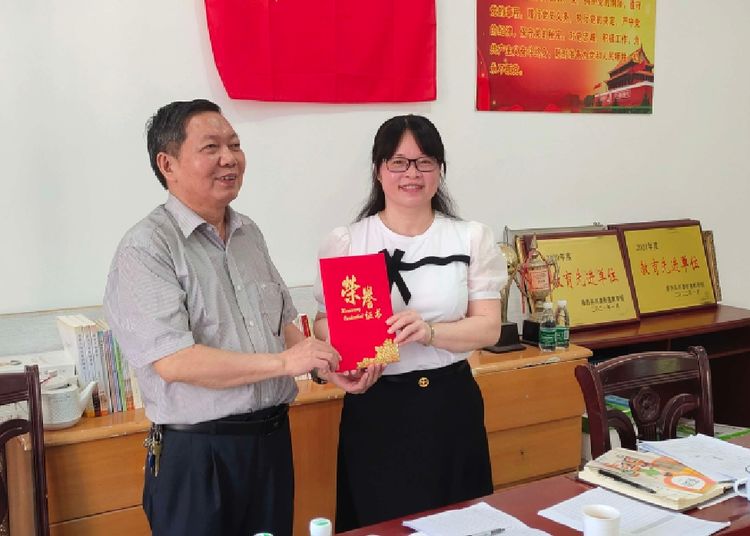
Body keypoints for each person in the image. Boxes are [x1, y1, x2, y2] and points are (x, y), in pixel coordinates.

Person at [103, 99, 379, 536]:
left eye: (234, 144)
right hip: (198, 455)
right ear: (167, 164)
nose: (229, 158)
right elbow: (174, 360)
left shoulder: (248, 232)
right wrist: (286, 363)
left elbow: (283, 326)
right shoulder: (147, 247)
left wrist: (327, 367)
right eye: (211, 147)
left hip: (270, 444)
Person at [313, 114, 508, 530]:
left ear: (440, 170)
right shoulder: (348, 242)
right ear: (378, 171)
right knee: (379, 522)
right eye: (398, 162)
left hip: (449, 405)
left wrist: (431, 333)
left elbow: (488, 327)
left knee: (458, 522)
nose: (412, 174)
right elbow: (323, 323)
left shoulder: (470, 237)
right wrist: (352, 350)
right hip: (375, 405)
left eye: (425, 162)